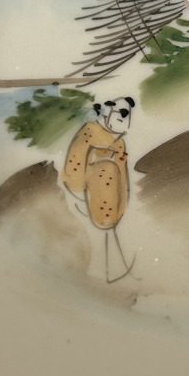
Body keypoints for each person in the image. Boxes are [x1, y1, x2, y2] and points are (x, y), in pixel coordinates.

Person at [61, 97, 137, 282]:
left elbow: (123, 175)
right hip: (88, 193)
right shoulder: (90, 132)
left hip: (111, 196)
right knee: (99, 232)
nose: (123, 119)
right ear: (107, 114)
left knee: (110, 231)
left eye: (126, 116)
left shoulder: (119, 143)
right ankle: (102, 273)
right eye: (119, 114)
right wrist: (79, 190)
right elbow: (75, 164)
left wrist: (123, 200)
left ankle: (115, 271)